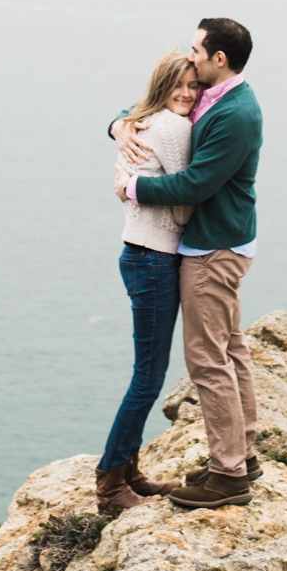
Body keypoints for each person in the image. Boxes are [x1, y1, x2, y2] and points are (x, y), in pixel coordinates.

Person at [111, 17, 262, 510]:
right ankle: (244, 454)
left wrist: (131, 187)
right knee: (231, 349)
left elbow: (195, 184)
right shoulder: (211, 98)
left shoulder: (234, 113)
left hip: (212, 248)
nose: (191, 56)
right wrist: (118, 124)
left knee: (207, 359)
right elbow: (152, 107)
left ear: (220, 59)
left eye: (198, 50)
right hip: (218, 242)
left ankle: (227, 474)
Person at [93, 52, 200, 512]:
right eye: (178, 85)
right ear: (162, 86)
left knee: (146, 374)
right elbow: (180, 202)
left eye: (194, 87)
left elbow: (140, 164)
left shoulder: (142, 120)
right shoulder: (176, 128)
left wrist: (128, 182)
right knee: (146, 378)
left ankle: (130, 470)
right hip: (155, 259)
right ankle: (110, 483)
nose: (187, 94)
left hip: (138, 255)